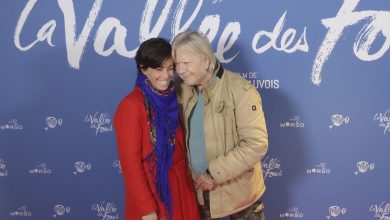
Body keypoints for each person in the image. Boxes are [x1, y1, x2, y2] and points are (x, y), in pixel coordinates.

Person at [172, 30, 269, 219]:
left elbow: (256, 144)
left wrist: (213, 173)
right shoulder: (180, 89)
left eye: (186, 63)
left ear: (206, 59)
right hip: (199, 194)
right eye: (176, 64)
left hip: (241, 197)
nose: (180, 70)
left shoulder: (241, 91)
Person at [114, 37, 201, 220]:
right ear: (143, 68)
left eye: (170, 68)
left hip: (182, 187)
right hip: (155, 193)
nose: (166, 76)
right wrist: (147, 210)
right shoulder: (131, 105)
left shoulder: (173, 97)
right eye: (159, 69)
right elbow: (131, 167)